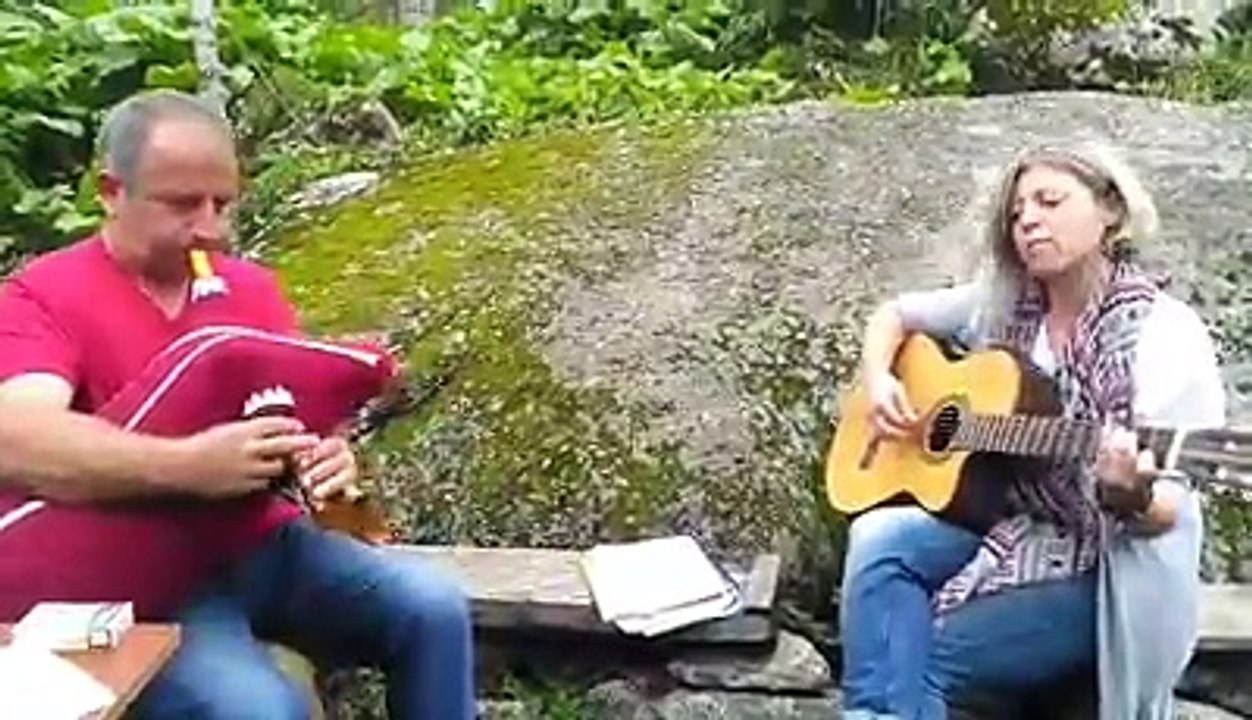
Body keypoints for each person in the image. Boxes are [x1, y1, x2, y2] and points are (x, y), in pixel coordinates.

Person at [0, 90, 475, 719]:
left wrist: (331, 459)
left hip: (264, 544)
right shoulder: (41, 297)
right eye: (181, 204)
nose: (210, 228)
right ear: (111, 192)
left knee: (433, 610)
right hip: (146, 577)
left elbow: (295, 410)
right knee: (260, 708)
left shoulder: (248, 288)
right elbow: (18, 439)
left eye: (222, 204)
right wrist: (189, 466)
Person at [836, 142, 1227, 720]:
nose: (1029, 221)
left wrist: (1129, 494)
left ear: (1110, 211)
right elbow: (894, 316)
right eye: (1017, 212)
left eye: (1050, 201)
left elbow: (1168, 510)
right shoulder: (1006, 305)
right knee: (880, 536)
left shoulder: (1163, 333)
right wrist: (878, 382)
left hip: (1102, 563)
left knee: (925, 655)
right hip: (1008, 525)